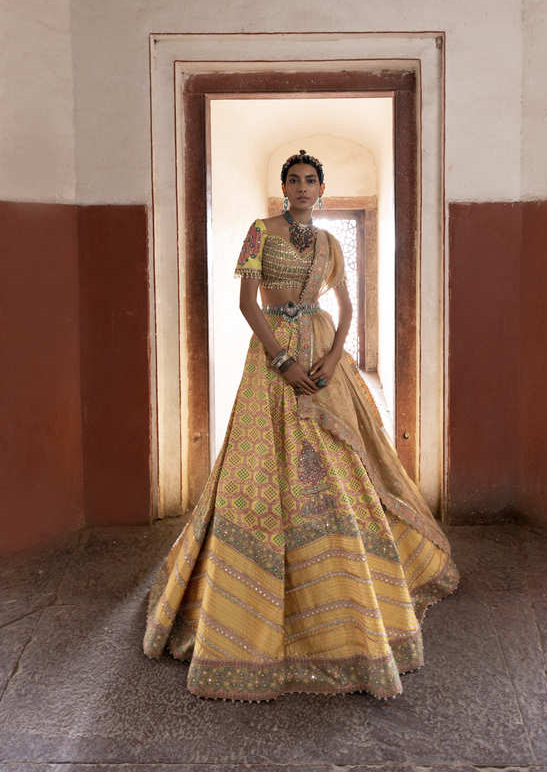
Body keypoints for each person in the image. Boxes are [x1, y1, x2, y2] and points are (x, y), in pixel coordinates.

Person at [143, 148, 460, 701]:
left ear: (321, 187)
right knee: (263, 462)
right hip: (273, 355)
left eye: (312, 179)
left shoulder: (332, 244)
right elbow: (247, 304)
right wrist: (280, 360)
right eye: (295, 179)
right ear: (284, 187)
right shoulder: (259, 232)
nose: (304, 186)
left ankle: (344, 587)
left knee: (338, 462)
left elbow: (348, 307)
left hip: (321, 351)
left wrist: (339, 356)